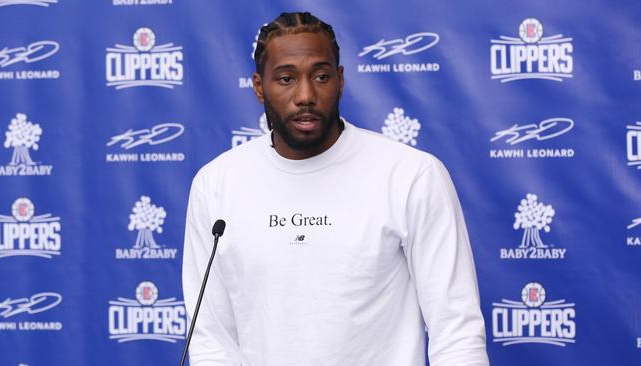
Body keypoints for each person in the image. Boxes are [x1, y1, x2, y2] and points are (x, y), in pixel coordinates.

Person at [183, 11, 489, 366]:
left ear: (340, 80)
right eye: (285, 79)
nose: (305, 95)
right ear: (258, 86)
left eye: (321, 76)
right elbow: (212, 340)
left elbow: (457, 330)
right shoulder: (216, 184)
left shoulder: (411, 175)